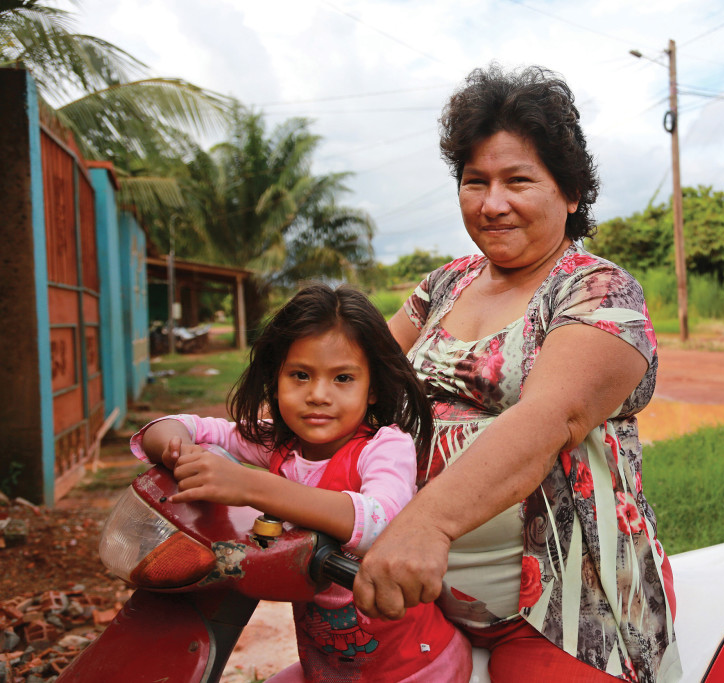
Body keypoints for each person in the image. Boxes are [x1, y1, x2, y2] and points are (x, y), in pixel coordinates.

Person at [353, 65, 681, 682]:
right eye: (475, 181)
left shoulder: (596, 289)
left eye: (518, 180)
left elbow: (549, 417)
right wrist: (239, 443)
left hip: (574, 610)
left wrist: (428, 522)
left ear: (570, 192)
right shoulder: (442, 286)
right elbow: (355, 381)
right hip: (423, 595)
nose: (492, 203)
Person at [131, 283, 472, 683]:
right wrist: (177, 450)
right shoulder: (280, 443)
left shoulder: (382, 448)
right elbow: (183, 427)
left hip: (414, 667)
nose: (318, 395)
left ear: (373, 387)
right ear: (277, 379)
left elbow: (380, 522)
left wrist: (249, 486)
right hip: (328, 666)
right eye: (300, 375)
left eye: (343, 377)